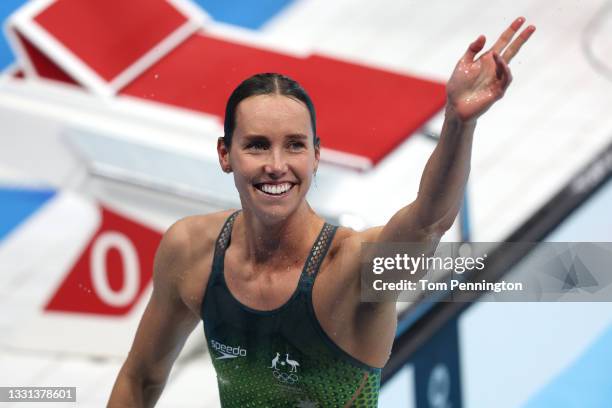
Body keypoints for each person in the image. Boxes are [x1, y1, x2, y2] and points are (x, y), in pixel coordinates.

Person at [108, 17, 535, 407]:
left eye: (294, 145)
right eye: (257, 144)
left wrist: (459, 123)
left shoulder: (351, 270)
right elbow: (139, 379)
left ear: (316, 156)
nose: (276, 164)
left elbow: (429, 220)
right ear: (225, 154)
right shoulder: (192, 252)